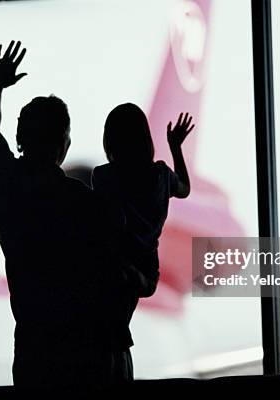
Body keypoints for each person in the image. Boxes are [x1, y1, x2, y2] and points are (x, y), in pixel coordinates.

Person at [0, 41, 129, 390]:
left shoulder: (5, 194)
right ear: (64, 144)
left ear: (18, 137)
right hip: (88, 352)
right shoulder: (85, 203)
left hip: (33, 348)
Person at [91, 103, 194, 368]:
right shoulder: (161, 176)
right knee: (118, 331)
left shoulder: (103, 176)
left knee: (108, 336)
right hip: (146, 270)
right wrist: (176, 148)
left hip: (116, 267)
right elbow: (184, 188)